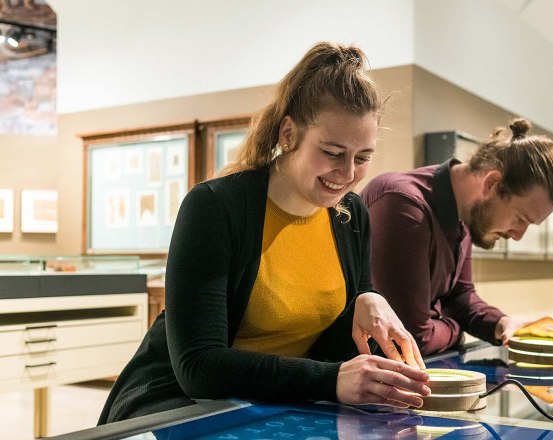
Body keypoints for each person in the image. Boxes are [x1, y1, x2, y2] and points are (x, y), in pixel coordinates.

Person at [98, 42, 430, 424]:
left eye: (363, 157)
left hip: (278, 405)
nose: (349, 173)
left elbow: (346, 313)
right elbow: (198, 367)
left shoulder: (350, 214)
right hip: (177, 409)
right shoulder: (214, 207)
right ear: (288, 134)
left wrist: (366, 295)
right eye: (333, 152)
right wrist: (330, 380)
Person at [360, 119, 553, 355]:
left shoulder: (464, 217)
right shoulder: (405, 206)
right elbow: (412, 338)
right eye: (520, 218)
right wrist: (455, 328)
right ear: (492, 183)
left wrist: (502, 323)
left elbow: (460, 298)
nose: (518, 236)